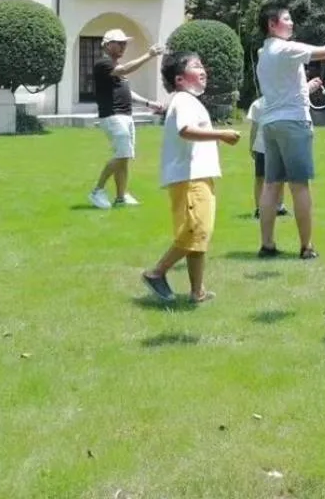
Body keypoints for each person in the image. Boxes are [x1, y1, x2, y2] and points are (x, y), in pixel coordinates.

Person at [141, 52, 240, 304]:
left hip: (197, 176)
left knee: (199, 236)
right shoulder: (184, 100)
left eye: (202, 64)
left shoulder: (186, 100)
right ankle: (156, 273)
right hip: (189, 177)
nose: (203, 69)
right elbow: (185, 131)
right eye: (196, 66)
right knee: (195, 231)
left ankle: (198, 292)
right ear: (180, 79)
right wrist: (221, 134)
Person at [255, 5, 325, 260]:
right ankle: (306, 247)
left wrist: (304, 87)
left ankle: (267, 245)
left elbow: (284, 85)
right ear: (271, 25)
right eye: (286, 19)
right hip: (294, 123)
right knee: (299, 185)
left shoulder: (263, 52)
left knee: (271, 185)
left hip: (271, 123)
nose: (291, 23)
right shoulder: (286, 48)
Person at [89, 29, 166, 210]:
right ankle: (97, 190)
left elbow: (126, 92)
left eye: (125, 43)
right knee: (122, 155)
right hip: (113, 116)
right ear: (108, 45)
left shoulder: (115, 68)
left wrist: (148, 103)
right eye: (119, 43)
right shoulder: (103, 63)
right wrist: (149, 55)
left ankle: (121, 197)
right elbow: (124, 69)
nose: (123, 46)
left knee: (125, 157)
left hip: (125, 115)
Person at [244, 96, 288, 219]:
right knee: (260, 178)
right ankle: (259, 208)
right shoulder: (258, 104)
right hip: (262, 146)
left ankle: (279, 206)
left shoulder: (283, 102)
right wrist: (251, 145)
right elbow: (254, 127)